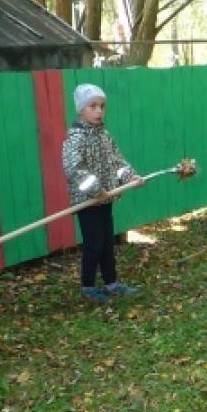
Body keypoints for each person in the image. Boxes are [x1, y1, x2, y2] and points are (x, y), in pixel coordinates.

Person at [60, 83, 145, 302]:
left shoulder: (103, 136)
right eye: (93, 106)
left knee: (107, 242)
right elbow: (74, 170)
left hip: (105, 199)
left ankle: (112, 283)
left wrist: (130, 176)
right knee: (94, 244)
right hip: (87, 202)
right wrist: (96, 190)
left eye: (102, 106)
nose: (99, 111)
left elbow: (117, 161)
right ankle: (88, 288)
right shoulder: (76, 138)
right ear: (81, 109)